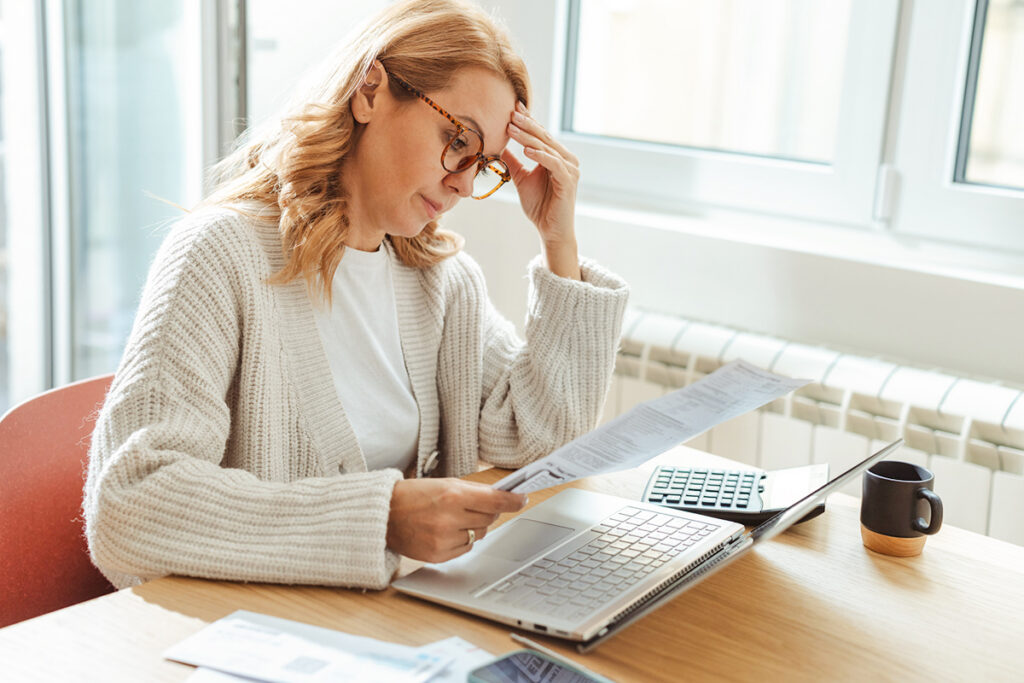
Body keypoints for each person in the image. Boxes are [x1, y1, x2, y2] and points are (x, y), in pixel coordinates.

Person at [83, 0, 629, 590]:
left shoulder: (442, 282)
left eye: (486, 164)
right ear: (370, 91)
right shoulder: (222, 254)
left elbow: (540, 441)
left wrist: (558, 240)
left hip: (385, 621)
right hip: (248, 635)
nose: (466, 183)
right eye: (457, 140)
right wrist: (381, 518)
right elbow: (130, 504)